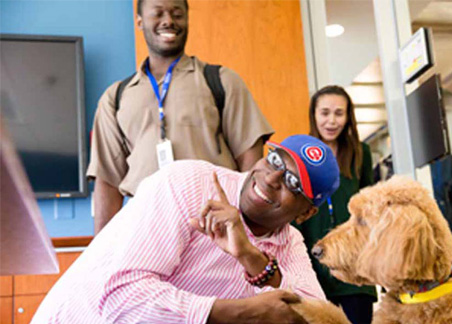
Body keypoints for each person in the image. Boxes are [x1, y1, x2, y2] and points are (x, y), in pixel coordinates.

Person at [32, 135, 340, 323]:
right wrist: (240, 313)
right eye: (274, 160)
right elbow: (122, 301)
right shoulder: (187, 183)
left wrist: (251, 258)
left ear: (306, 213)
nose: (272, 179)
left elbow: (318, 317)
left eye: (293, 183)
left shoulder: (289, 242)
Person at [87, 0, 274, 234]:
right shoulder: (115, 98)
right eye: (158, 13)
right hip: (146, 229)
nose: (168, 21)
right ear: (139, 21)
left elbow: (250, 163)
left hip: (215, 229)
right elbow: (107, 181)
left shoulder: (222, 81)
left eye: (177, 14)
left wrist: (248, 235)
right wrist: (100, 256)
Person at [293, 85, 377, 324]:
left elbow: (367, 207)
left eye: (339, 113)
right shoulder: (300, 154)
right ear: (314, 115)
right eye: (325, 113)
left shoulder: (361, 152)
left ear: (348, 117)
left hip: (355, 268)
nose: (331, 121)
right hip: (314, 266)